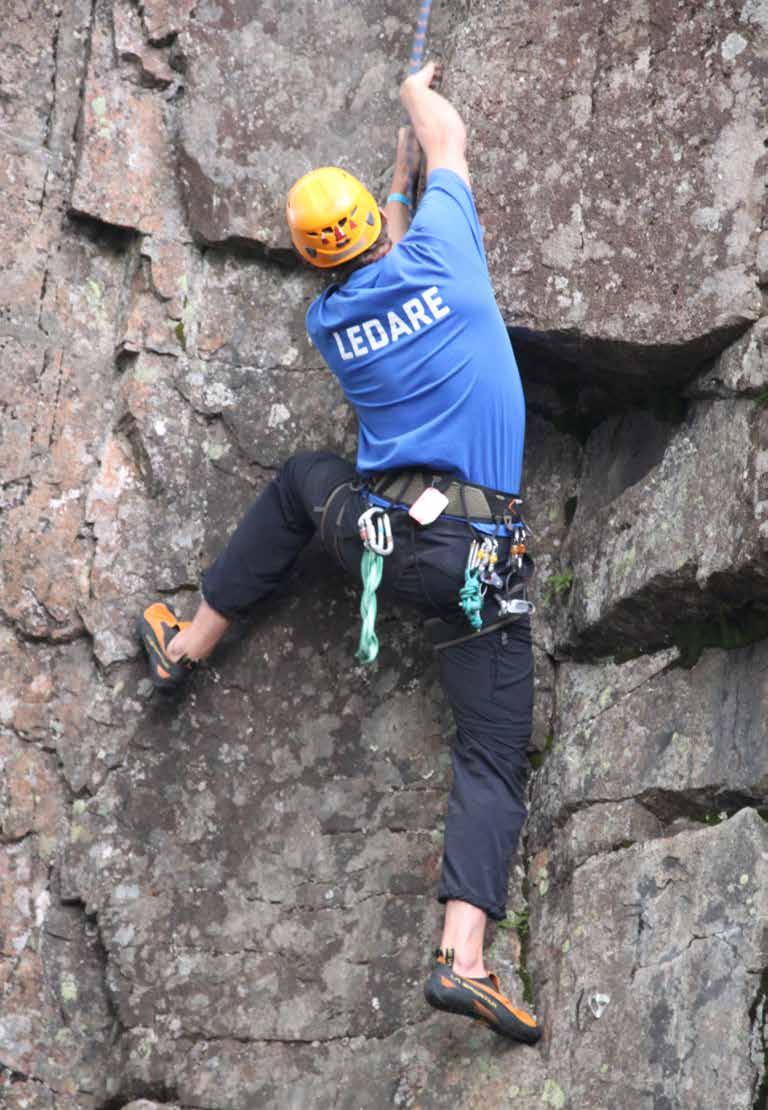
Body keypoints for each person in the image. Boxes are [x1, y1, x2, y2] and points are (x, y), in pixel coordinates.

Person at [138, 61, 542, 1045]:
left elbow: (381, 267)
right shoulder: (447, 254)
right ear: (383, 228)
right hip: (481, 566)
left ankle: (186, 643)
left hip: (386, 540)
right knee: (492, 758)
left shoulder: (330, 323)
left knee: (301, 478)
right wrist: (413, 95)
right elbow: (450, 139)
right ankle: (463, 955)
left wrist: (393, 187)